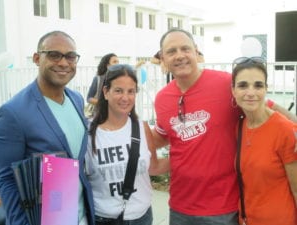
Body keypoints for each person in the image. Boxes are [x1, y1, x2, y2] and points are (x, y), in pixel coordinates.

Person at [151, 27, 297, 225]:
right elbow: (162, 135)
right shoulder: (162, 99)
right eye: (171, 51)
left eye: (185, 49)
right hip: (180, 207)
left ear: (196, 52)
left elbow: (269, 109)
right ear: (163, 58)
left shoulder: (226, 84)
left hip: (223, 208)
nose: (179, 56)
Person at [0, 31, 94, 225]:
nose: (64, 63)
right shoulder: (13, 112)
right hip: (43, 219)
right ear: (36, 58)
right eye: (54, 54)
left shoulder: (76, 99)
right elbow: (6, 180)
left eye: (70, 56)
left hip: (81, 214)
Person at [85, 64, 169, 225]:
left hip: (141, 217)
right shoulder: (88, 133)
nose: (125, 97)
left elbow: (153, 167)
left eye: (131, 91)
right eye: (118, 90)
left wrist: (191, 155)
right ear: (105, 92)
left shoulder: (141, 127)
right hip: (103, 218)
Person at [231, 57, 297, 225]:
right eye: (243, 85)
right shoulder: (239, 126)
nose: (251, 92)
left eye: (258, 85)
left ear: (266, 89)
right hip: (247, 219)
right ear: (233, 91)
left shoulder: (286, 131)